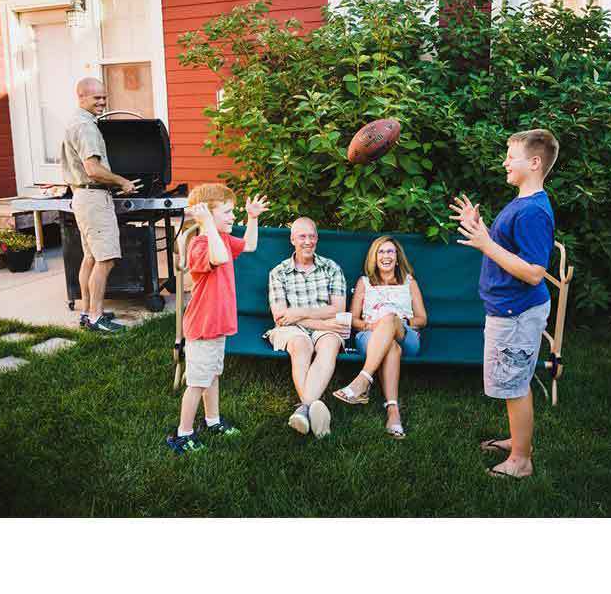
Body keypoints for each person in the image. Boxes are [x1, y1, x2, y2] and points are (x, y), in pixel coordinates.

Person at [451, 128, 559, 480]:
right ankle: (518, 440)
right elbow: (511, 249)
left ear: (535, 162)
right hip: (510, 309)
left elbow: (533, 272)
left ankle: (521, 461)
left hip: (517, 311)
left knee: (514, 385)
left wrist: (484, 243)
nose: (504, 162)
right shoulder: (522, 203)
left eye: (511, 157)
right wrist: (479, 227)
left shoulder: (532, 212)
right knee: (517, 381)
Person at [166, 184, 269, 454]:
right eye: (227, 212)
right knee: (197, 382)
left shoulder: (221, 237)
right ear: (208, 217)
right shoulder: (201, 246)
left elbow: (250, 245)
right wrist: (208, 225)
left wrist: (253, 217)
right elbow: (220, 258)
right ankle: (183, 434)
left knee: (212, 376)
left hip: (218, 324)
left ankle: (212, 420)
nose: (233, 217)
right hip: (203, 326)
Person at [60, 78, 141, 333]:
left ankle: (87, 312)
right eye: (97, 98)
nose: (102, 102)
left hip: (82, 196)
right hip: (93, 198)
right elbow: (93, 170)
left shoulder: (76, 122)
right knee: (105, 260)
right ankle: (96, 318)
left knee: (91, 257)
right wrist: (122, 182)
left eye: (104, 97)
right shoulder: (86, 127)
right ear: (81, 97)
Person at [333, 236, 427, 438]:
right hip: (370, 336)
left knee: (390, 318)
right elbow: (353, 319)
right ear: (374, 257)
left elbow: (422, 319)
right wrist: (372, 325)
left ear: (397, 256)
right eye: (381, 252)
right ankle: (393, 412)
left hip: (406, 335)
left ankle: (363, 379)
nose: (386, 256)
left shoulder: (409, 282)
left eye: (390, 251)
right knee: (391, 347)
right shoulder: (364, 283)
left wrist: (397, 321)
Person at [266, 217, 349, 439]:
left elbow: (338, 308)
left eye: (312, 236)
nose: (308, 241)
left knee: (330, 344)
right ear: (292, 239)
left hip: (323, 327)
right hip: (293, 329)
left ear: (317, 239)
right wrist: (318, 321)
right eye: (302, 236)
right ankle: (312, 407)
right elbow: (281, 317)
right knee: (301, 346)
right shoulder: (279, 272)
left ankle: (303, 410)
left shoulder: (331, 268)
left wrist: (300, 313)